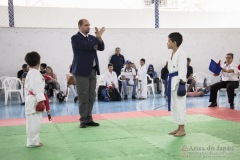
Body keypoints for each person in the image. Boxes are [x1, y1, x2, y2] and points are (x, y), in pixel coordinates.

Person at [71, 18, 105, 128]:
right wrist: (97, 37)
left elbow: (101, 48)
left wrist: (99, 38)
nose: (88, 27)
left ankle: (89, 118)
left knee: (92, 96)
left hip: (93, 70)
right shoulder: (75, 38)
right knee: (83, 96)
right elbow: (86, 47)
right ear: (80, 27)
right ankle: (83, 119)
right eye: (86, 25)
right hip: (81, 71)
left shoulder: (91, 38)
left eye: (89, 25)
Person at [24, 51, 51, 148]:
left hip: (32, 98)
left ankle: (35, 140)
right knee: (34, 123)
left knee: (34, 122)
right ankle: (32, 142)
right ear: (39, 62)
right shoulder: (35, 73)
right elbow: (36, 88)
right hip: (35, 99)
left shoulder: (32, 72)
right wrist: (41, 101)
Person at [167, 32, 187, 137]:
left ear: (174, 42)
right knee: (175, 105)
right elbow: (169, 69)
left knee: (180, 105)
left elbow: (182, 69)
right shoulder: (172, 54)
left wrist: (182, 83)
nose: (167, 43)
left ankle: (182, 128)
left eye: (169, 41)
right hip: (172, 80)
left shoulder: (181, 53)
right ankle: (179, 126)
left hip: (179, 81)